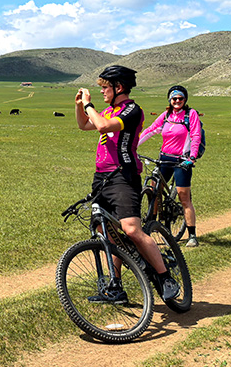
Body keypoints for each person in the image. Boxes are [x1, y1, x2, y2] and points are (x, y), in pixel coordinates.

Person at [75, 65, 180, 302]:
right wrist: (79, 106)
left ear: (119, 87)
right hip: (102, 177)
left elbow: (102, 126)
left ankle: (165, 278)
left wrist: (89, 105)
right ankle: (115, 287)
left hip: (124, 175)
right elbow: (84, 125)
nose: (102, 91)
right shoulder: (108, 110)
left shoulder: (132, 110)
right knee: (107, 233)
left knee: (131, 229)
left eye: (105, 87)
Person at [138, 85, 202, 247]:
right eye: (174, 98)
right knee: (153, 189)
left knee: (184, 197)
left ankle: (192, 235)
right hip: (164, 159)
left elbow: (195, 135)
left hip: (182, 161)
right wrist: (133, 147)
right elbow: (151, 130)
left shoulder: (190, 114)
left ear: (185, 99)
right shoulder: (166, 115)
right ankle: (150, 226)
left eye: (180, 98)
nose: (177, 101)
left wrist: (192, 157)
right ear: (169, 100)